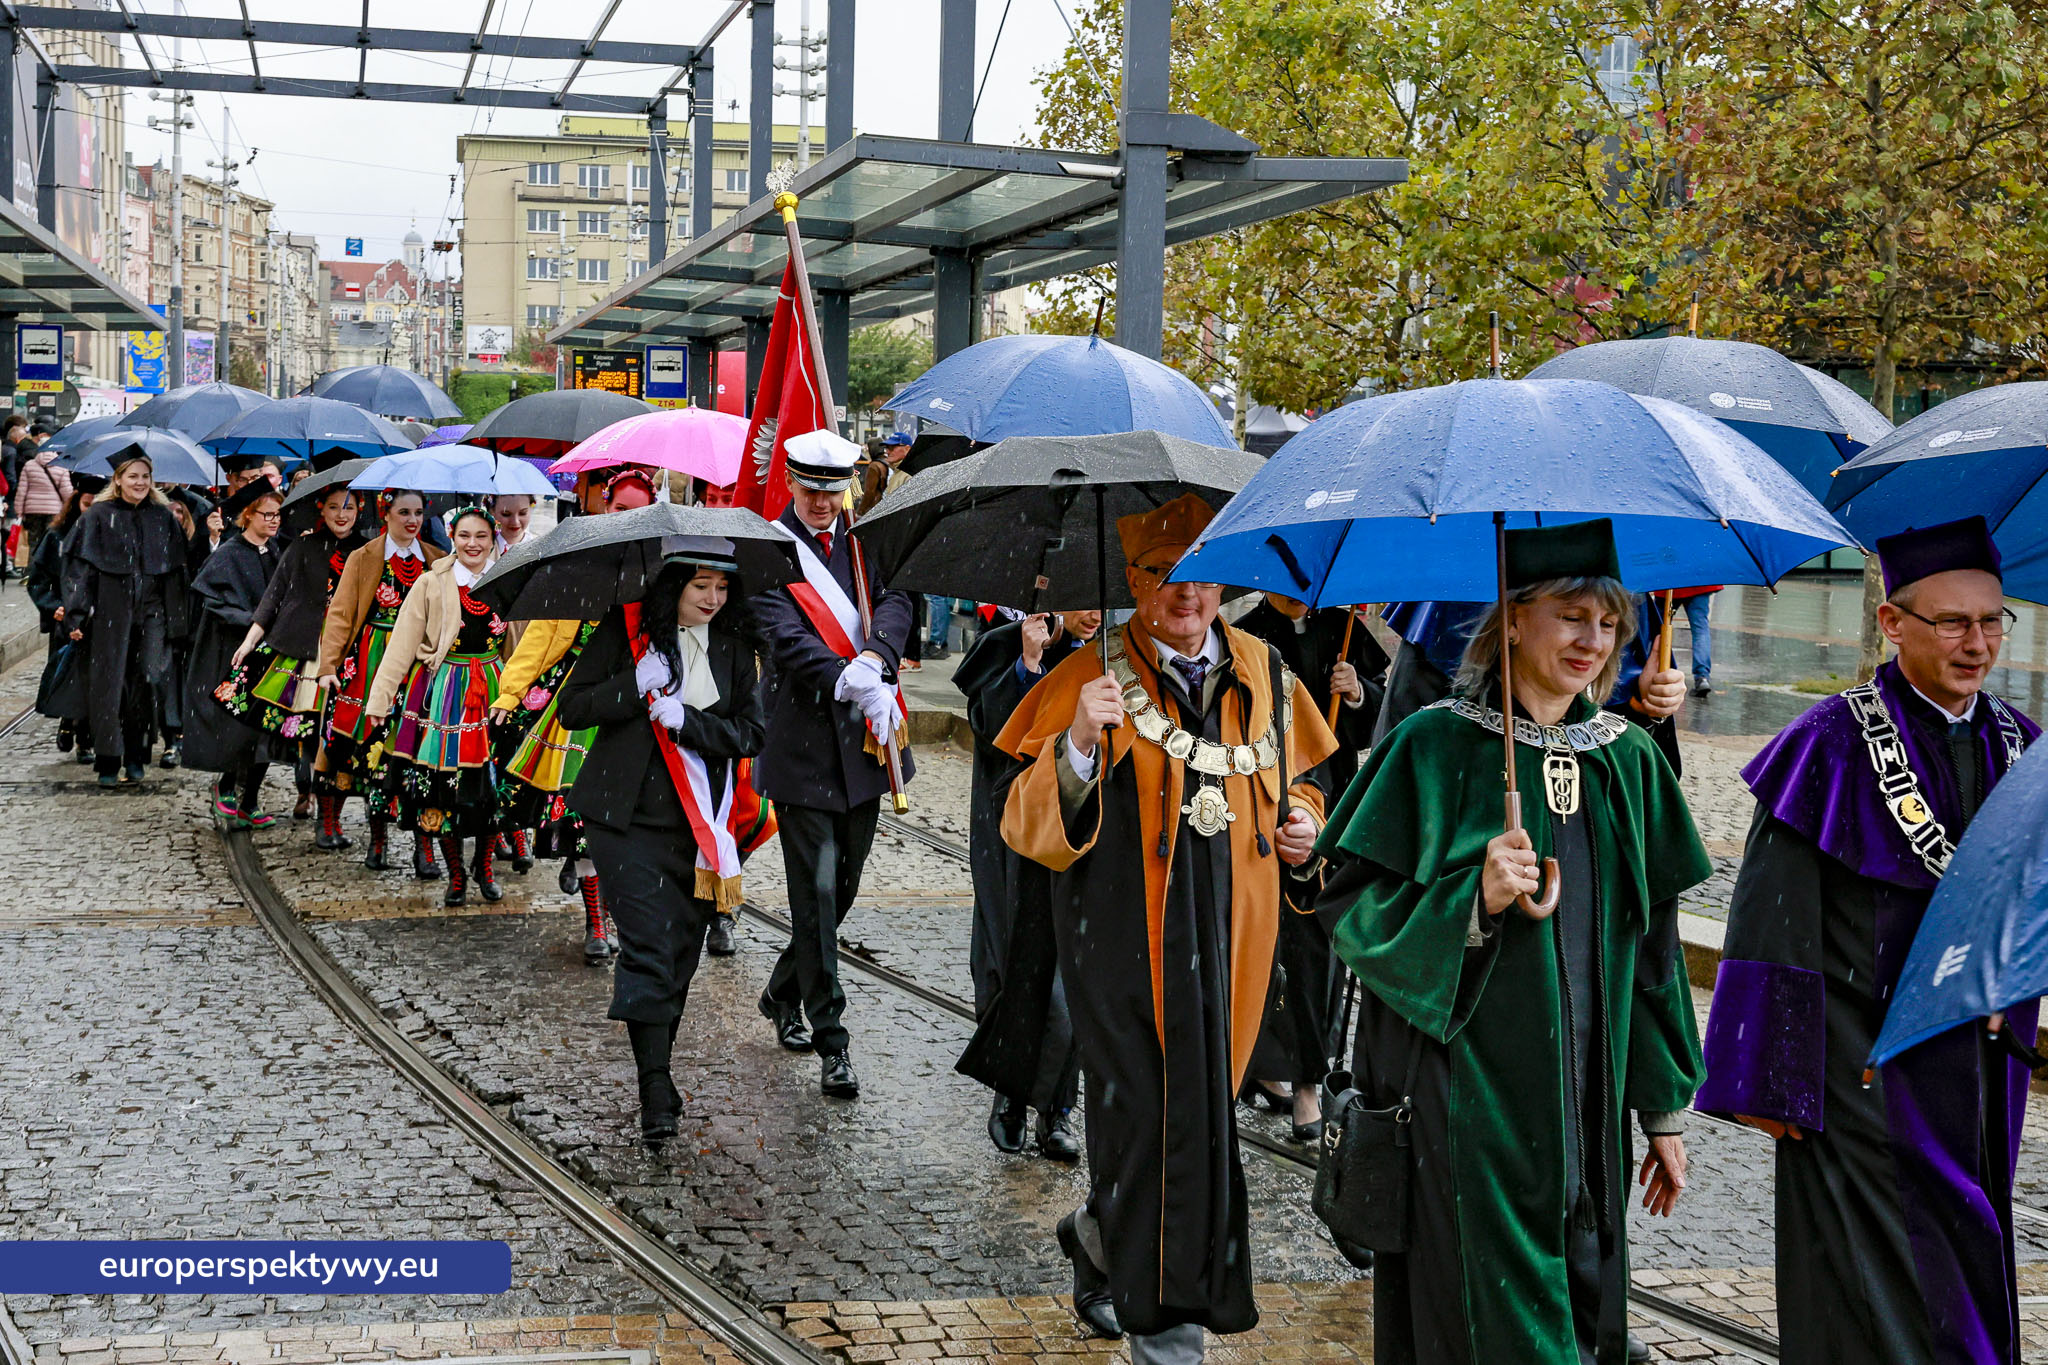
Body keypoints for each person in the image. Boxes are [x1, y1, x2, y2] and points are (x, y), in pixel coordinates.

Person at [1317, 520, 1705, 1365]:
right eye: (1571, 616)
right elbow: (1346, 904)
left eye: (1608, 623)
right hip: (1466, 1109)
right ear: (1515, 619)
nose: (1592, 640)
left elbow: (1654, 950)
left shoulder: (1629, 761)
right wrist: (1471, 899)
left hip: (1588, 1111)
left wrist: (1661, 1109)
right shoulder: (1433, 746)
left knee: (1582, 1310)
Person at [996, 493, 1338, 1358]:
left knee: (1194, 1118)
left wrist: (1304, 821)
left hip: (1231, 941)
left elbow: (1304, 783)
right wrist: (1078, 741)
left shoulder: (1267, 671)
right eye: (1162, 573)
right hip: (1123, 945)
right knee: (1148, 1122)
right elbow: (1024, 820)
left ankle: (1100, 1231)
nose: (1185, 592)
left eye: (1201, 572)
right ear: (1133, 579)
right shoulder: (1090, 677)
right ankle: (1168, 1339)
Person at [1696, 515, 2040, 1365]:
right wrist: (1769, 1082)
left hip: (1979, 1065)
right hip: (1860, 1071)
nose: (1977, 644)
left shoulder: (2022, 748)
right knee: (1876, 1291)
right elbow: (1770, 920)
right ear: (1892, 621)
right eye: (1951, 622)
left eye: (1992, 621)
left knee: (1969, 1255)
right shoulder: (1828, 744)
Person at [557, 538, 767, 1141]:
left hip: (697, 830)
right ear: (673, 585)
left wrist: (690, 723)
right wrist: (633, 685)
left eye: (722, 587)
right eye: (700, 585)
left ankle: (659, 1071)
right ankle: (654, 1088)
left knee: (679, 957)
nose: (712, 598)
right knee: (648, 949)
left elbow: (750, 735)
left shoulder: (734, 648)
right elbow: (573, 709)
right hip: (624, 822)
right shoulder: (625, 634)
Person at [751, 428, 916, 1099]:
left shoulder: (864, 540)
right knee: (815, 891)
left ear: (846, 486)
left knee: (841, 889)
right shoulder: (768, 550)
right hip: (801, 745)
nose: (821, 503)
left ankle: (781, 990)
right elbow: (781, 635)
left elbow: (899, 599)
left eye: (832, 491)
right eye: (811, 490)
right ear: (791, 483)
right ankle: (832, 1039)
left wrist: (877, 657)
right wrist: (847, 677)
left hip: (866, 745)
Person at [1234, 593, 1390, 1141]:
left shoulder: (1343, 629)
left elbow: (1377, 723)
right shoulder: (1247, 637)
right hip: (1262, 808)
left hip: (1333, 809)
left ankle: (1306, 1079)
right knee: (1265, 943)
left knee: (1317, 949)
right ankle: (1268, 1067)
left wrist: (1359, 692)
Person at [954, 607, 1100, 1161]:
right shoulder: (1005, 647)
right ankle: (1009, 1092)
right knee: (1007, 961)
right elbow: (993, 734)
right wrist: (1029, 665)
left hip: (1079, 831)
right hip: (1012, 831)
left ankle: (1057, 1107)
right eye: (1082, 604)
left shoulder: (1110, 658)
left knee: (1071, 976)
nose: (1093, 616)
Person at [492, 470, 656, 964]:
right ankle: (596, 923)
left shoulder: (660, 566)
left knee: (630, 819)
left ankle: (622, 914)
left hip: (636, 699)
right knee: (585, 821)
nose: (628, 519)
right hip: (580, 699)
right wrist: (509, 692)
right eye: (620, 509)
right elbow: (541, 635)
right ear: (605, 506)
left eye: (639, 511)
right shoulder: (579, 559)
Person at [364, 505, 514, 907]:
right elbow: (402, 644)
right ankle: (456, 874)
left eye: (481, 536)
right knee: (443, 785)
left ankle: (484, 866)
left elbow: (518, 643)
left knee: (492, 784)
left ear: (493, 539)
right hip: (444, 690)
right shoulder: (431, 583)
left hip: (492, 689)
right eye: (465, 535)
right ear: (452, 537)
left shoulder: (507, 580)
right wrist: (380, 698)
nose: (472, 544)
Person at [223, 485, 367, 843]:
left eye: (349, 507)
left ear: (360, 510)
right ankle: (251, 797)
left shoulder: (368, 551)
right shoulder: (302, 547)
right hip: (298, 649)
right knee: (275, 728)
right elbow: (273, 596)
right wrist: (250, 640)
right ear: (321, 510)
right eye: (333, 507)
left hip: (346, 654)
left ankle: (327, 818)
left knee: (334, 737)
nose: (341, 515)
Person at [316, 490, 446, 876]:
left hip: (418, 666)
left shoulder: (438, 560)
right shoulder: (364, 557)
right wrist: (328, 665)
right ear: (385, 514)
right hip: (372, 664)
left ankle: (424, 847)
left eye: (418, 512)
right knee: (367, 750)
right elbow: (341, 615)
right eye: (403, 512)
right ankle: (376, 841)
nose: (412, 520)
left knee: (418, 753)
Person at [62, 453, 188, 787]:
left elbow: (176, 573)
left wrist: (177, 623)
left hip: (153, 613)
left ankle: (136, 754)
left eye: (145, 476)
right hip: (110, 611)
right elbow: (79, 571)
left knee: (148, 681)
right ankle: (108, 759)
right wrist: (76, 615)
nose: (140, 482)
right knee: (109, 686)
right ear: (118, 479)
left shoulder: (163, 517)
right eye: (133, 476)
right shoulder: (97, 516)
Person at [183, 481, 285, 828]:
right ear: (248, 515)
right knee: (236, 724)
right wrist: (251, 622)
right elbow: (214, 601)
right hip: (233, 650)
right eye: (267, 514)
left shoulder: (276, 551)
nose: (274, 520)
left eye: (278, 514)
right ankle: (226, 787)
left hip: (271, 651)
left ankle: (251, 800)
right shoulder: (228, 553)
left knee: (265, 727)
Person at [28, 475, 99, 761]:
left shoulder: (109, 536)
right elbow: (38, 580)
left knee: (93, 679)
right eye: (87, 504)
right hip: (65, 619)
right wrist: (53, 606)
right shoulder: (57, 537)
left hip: (98, 618)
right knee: (69, 673)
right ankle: (67, 721)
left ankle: (85, 737)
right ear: (77, 503)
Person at [15, 432, 71, 555]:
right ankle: (47, 565)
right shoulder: (61, 466)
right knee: (50, 541)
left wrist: (19, 511)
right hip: (54, 510)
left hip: (32, 511)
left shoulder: (29, 465)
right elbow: (66, 492)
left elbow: (22, 490)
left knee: (33, 542)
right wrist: (68, 509)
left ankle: (32, 565)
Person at [1672, 585, 1719, 696]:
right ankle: (1702, 677)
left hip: (1669, 585)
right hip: (1699, 584)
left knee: (1659, 627)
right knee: (1700, 631)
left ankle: (1657, 669)